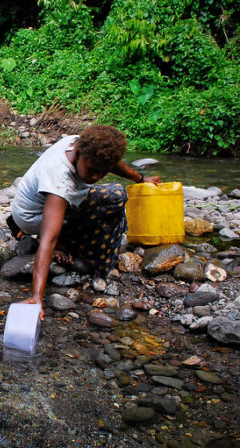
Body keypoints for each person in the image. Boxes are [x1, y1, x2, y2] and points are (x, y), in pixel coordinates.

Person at [10, 125, 161, 320]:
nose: (96, 177)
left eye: (102, 172)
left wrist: (140, 178)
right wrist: (36, 297)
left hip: (41, 207)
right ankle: (64, 245)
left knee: (115, 194)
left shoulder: (86, 147)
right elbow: (49, 239)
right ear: (78, 153)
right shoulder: (60, 178)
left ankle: (66, 240)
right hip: (31, 217)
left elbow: (114, 164)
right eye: (91, 169)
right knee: (113, 195)